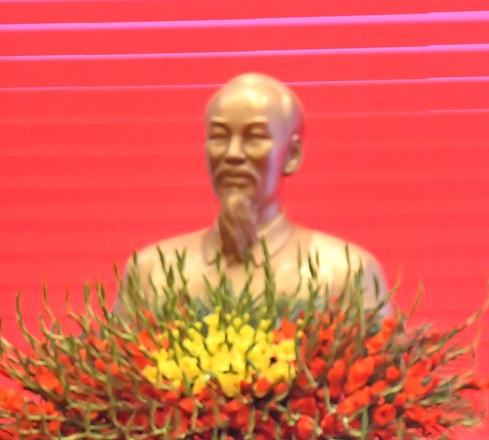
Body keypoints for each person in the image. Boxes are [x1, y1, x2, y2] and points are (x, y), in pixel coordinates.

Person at [119, 73, 389, 313]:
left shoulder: (345, 273)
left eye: (254, 137)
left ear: (292, 154)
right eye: (219, 136)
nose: (233, 154)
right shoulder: (150, 272)